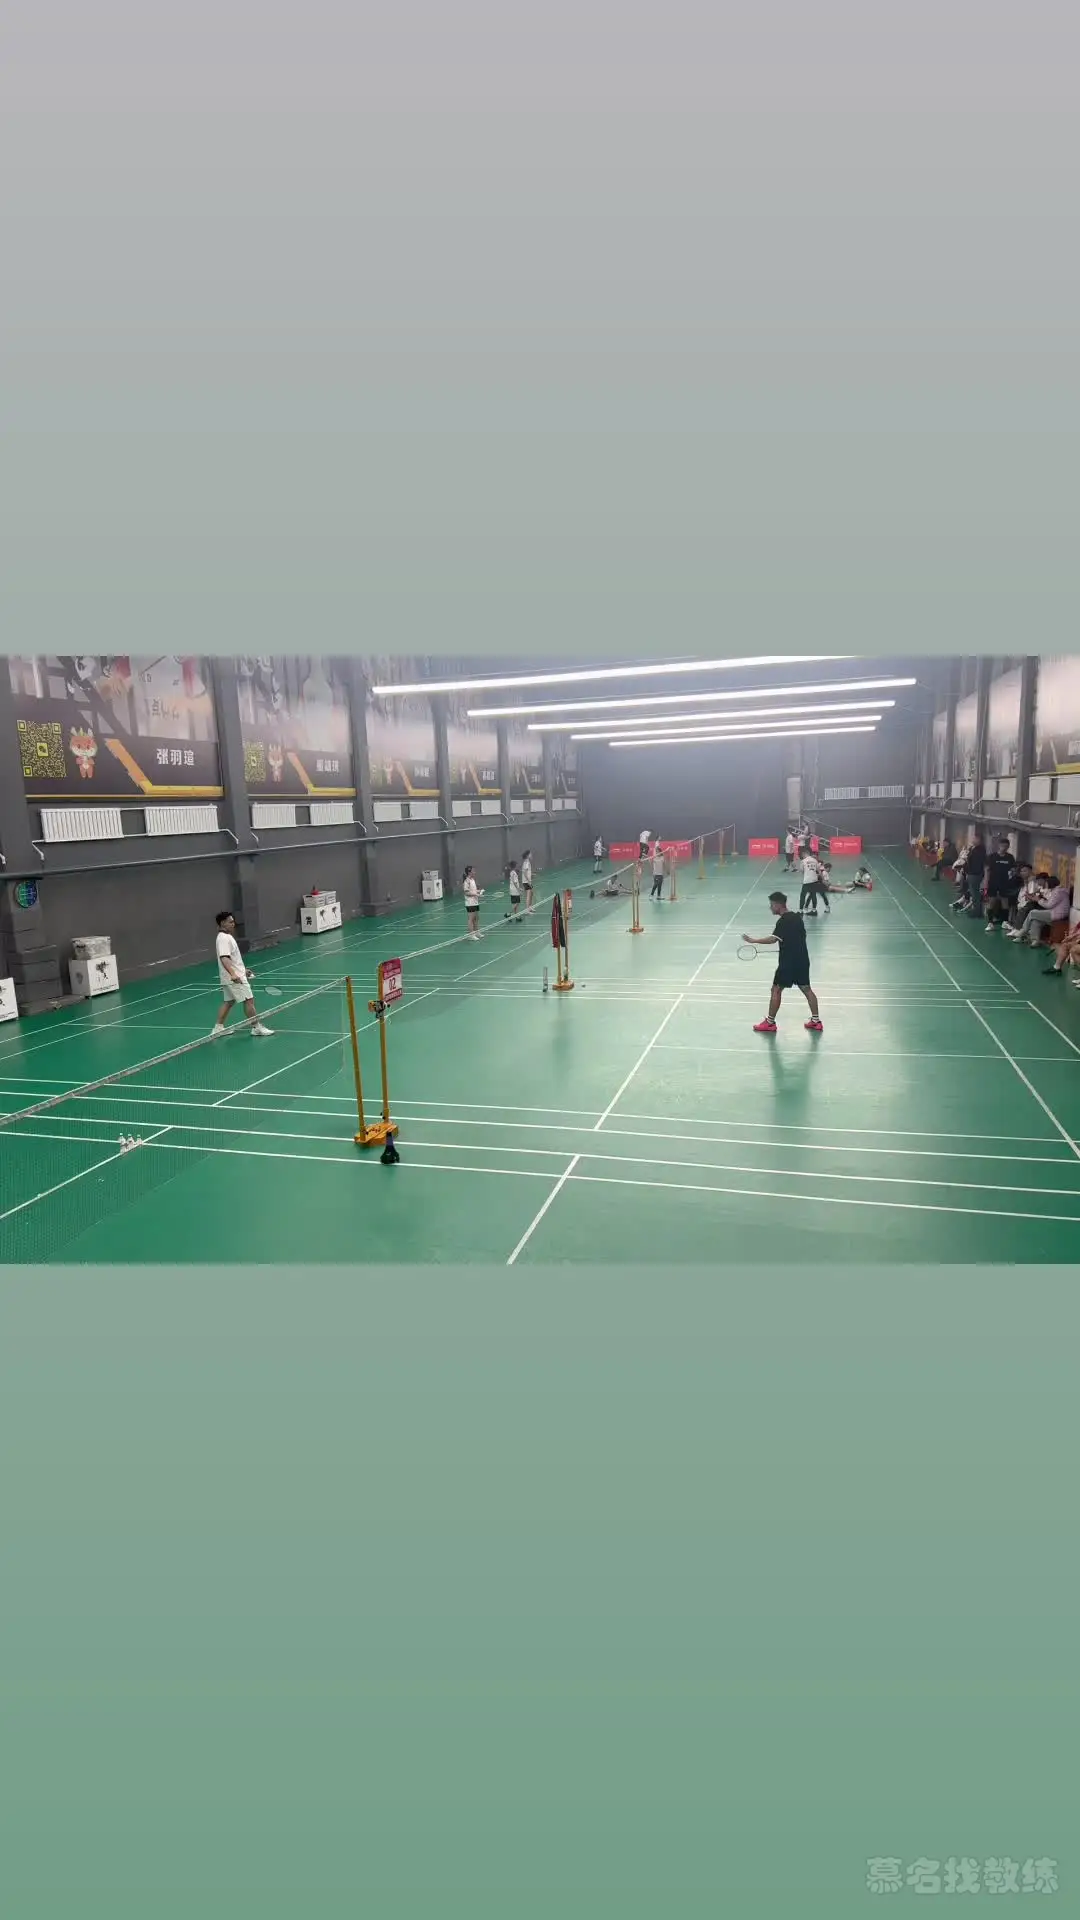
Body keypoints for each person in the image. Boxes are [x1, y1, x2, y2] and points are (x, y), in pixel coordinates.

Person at [743, 890, 823, 1034]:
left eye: (771, 905)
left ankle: (770, 1023)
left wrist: (754, 940)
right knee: (806, 989)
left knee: (776, 989)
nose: (770, 908)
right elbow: (800, 937)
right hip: (802, 960)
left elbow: (772, 939)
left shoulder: (783, 921)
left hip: (788, 963)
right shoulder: (797, 917)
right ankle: (816, 1021)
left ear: (778, 905)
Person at [211, 911, 273, 1038]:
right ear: (222, 923)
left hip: (232, 976)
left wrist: (243, 970)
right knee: (249, 1000)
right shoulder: (223, 938)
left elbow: (233, 959)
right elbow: (224, 958)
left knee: (229, 1001)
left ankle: (218, 1028)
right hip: (235, 978)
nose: (233, 924)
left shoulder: (226, 937)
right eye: (230, 922)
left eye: (233, 922)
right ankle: (256, 1028)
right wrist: (234, 974)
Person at [1018, 873, 1070, 948]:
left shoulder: (1059, 892)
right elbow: (1049, 903)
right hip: (1054, 912)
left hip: (1058, 914)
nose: (1045, 885)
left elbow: (1049, 905)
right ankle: (1035, 941)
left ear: (1050, 883)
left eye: (1046, 883)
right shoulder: (1056, 891)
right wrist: (1036, 898)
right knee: (1036, 920)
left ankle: (1023, 931)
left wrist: (1038, 899)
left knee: (1032, 912)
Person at [983, 837, 1017, 931]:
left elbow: (1013, 869)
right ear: (999, 846)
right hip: (993, 882)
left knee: (1005, 902)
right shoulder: (992, 856)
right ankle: (990, 923)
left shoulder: (1010, 857)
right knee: (991, 901)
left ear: (1008, 847)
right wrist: (986, 883)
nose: (1004, 848)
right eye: (1003, 846)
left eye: (1006, 846)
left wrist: (1012, 873)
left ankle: (1005, 922)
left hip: (1005, 883)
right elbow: (987, 870)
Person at [799, 846, 823, 916]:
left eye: (802, 854)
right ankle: (814, 910)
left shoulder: (803, 861)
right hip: (814, 880)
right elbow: (819, 871)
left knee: (803, 895)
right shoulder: (815, 860)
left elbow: (802, 871)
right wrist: (822, 879)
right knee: (813, 895)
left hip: (807, 881)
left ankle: (800, 911)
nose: (802, 856)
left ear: (804, 853)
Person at [463, 865, 485, 939]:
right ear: (469, 872)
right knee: (471, 918)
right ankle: (471, 934)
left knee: (476, 918)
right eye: (473, 871)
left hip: (475, 902)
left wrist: (479, 891)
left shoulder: (472, 880)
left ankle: (477, 932)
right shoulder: (467, 881)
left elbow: (473, 890)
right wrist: (476, 894)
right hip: (470, 903)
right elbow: (466, 892)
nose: (475, 872)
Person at [522, 848, 535, 914]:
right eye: (530, 854)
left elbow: (526, 871)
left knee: (531, 893)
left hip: (527, 881)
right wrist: (528, 881)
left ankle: (530, 907)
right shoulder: (526, 862)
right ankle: (527, 910)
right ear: (527, 855)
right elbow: (524, 872)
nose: (531, 855)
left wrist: (532, 874)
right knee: (528, 895)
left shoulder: (527, 861)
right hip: (526, 881)